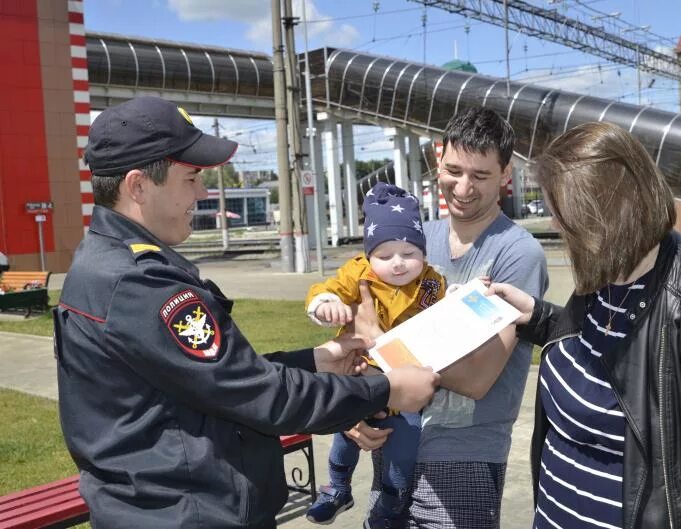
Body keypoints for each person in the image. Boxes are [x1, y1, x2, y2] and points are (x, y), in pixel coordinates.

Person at [54, 95, 440, 529]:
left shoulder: (113, 264)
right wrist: (386, 390)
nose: (203, 193)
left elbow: (207, 381)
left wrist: (315, 361)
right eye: (192, 178)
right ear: (138, 186)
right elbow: (258, 395)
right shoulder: (140, 284)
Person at [486, 121, 681, 529]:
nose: (557, 224)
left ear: (606, 210)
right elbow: (603, 350)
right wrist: (535, 316)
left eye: (564, 213)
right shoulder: (607, 264)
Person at [349, 107, 549, 529]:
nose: (462, 187)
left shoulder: (516, 253)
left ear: (505, 174)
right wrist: (356, 413)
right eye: (453, 171)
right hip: (392, 443)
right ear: (437, 162)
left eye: (480, 175)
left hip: (465, 459)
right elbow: (359, 330)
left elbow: (478, 378)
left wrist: (379, 341)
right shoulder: (414, 242)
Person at [305, 182, 447, 528]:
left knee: (404, 447)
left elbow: (443, 321)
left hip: (404, 384)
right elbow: (325, 290)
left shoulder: (431, 283)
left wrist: (457, 302)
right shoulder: (359, 273)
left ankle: (391, 506)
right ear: (369, 255)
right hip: (360, 374)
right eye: (384, 255)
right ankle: (338, 488)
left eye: (409, 253)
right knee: (344, 433)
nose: (398, 264)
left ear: (424, 253)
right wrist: (326, 305)